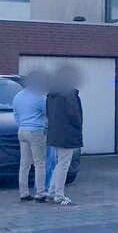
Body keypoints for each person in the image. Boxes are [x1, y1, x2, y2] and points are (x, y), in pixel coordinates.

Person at [44, 65, 83, 206]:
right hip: (67, 133)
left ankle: (51, 191)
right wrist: (78, 126)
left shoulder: (51, 94)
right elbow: (74, 115)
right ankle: (59, 195)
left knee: (59, 163)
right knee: (64, 164)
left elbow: (47, 113)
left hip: (55, 132)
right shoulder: (69, 94)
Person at [12, 70, 49, 202]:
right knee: (40, 163)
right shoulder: (40, 97)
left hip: (22, 131)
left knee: (24, 164)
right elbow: (47, 115)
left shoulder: (18, 96)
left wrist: (21, 124)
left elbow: (15, 114)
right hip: (36, 132)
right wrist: (46, 127)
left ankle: (24, 193)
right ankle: (40, 193)